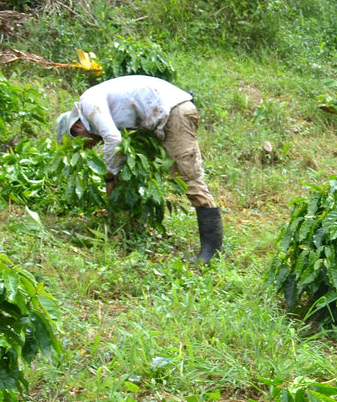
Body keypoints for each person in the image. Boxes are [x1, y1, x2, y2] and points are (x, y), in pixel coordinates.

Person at [54, 75, 223, 264]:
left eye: (78, 142)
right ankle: (130, 231)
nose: (86, 148)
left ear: (77, 126)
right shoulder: (96, 109)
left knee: (188, 177)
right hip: (155, 119)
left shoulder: (88, 103)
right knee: (130, 173)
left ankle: (211, 251)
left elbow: (114, 139)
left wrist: (109, 175)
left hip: (174, 112)